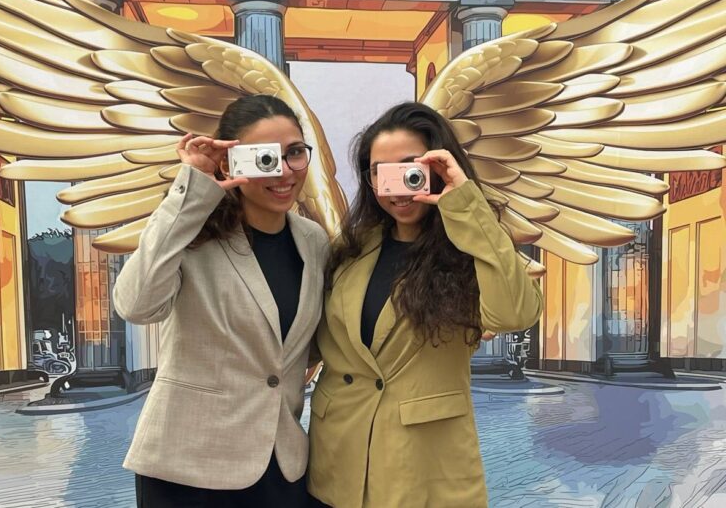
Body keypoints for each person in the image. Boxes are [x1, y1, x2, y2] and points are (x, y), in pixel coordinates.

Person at [307, 102, 543, 508]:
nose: (399, 186)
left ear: (440, 166)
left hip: (424, 466)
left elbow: (516, 313)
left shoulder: (470, 247)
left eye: (411, 168)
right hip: (337, 460)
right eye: (382, 171)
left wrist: (464, 204)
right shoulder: (352, 248)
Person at [114, 95, 329, 508]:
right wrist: (193, 186)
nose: (284, 170)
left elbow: (303, 345)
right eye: (265, 157)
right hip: (188, 467)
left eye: (294, 153)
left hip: (280, 464)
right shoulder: (191, 232)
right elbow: (136, 304)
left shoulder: (313, 241)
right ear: (231, 164)